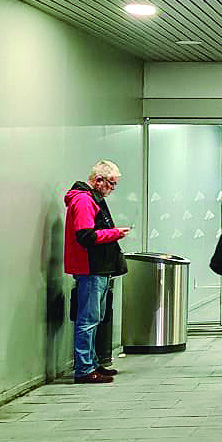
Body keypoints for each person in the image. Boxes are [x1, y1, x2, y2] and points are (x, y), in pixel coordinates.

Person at [63, 160, 131, 383]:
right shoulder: (83, 201)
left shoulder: (91, 199)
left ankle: (92, 363)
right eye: (111, 183)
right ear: (98, 180)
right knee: (88, 319)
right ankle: (84, 369)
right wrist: (114, 234)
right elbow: (85, 236)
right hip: (90, 267)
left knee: (95, 317)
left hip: (98, 267)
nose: (112, 188)